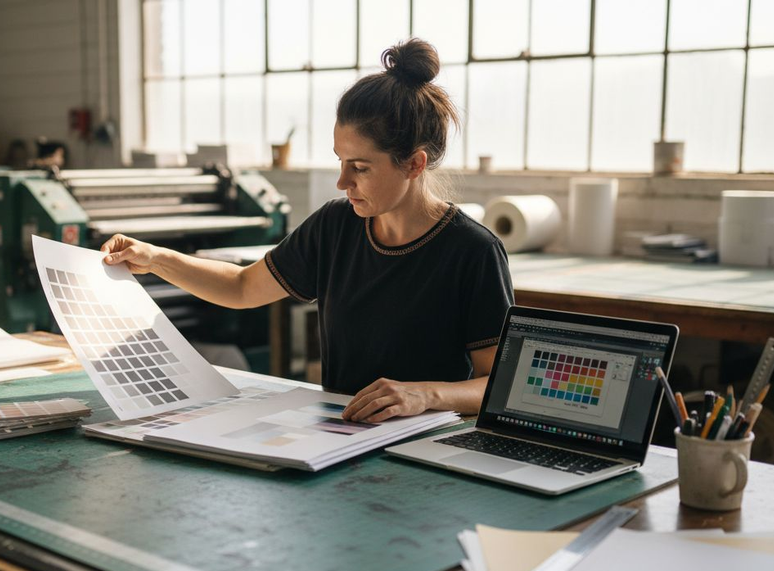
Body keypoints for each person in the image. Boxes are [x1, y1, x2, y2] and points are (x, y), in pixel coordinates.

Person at [102, 38, 514, 423]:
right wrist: (155, 258)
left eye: (361, 167)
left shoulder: (472, 252)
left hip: (425, 447)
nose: (343, 181)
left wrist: (426, 395)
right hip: (339, 438)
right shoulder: (335, 226)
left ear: (414, 164)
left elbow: (497, 383)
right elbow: (244, 287)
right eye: (341, 161)